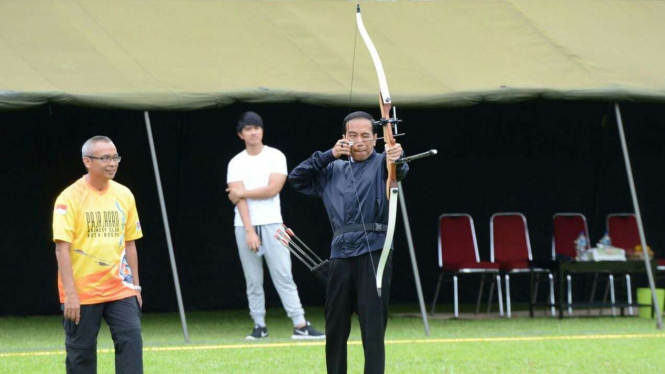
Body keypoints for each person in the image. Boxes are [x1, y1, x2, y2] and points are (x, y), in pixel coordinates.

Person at [288, 111, 408, 374]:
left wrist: (395, 157)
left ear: (376, 138)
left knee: (373, 326)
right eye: (353, 136)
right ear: (344, 138)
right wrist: (328, 154)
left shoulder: (383, 163)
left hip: (375, 249)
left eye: (366, 135)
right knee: (335, 325)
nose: (359, 141)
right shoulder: (332, 168)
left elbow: (398, 172)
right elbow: (296, 178)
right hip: (340, 253)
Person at [225, 111, 325, 340]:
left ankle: (300, 324)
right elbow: (237, 198)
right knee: (252, 279)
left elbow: (273, 188)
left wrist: (243, 192)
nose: (253, 132)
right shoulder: (236, 162)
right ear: (241, 134)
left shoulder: (275, 156)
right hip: (244, 226)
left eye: (256, 128)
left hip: (274, 224)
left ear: (262, 130)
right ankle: (259, 326)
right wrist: (249, 230)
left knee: (283, 274)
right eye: (248, 129)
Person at [53, 136, 144, 374]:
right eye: (105, 158)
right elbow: (61, 249)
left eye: (115, 157)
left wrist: (136, 285)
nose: (112, 163)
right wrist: (70, 294)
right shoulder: (69, 197)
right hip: (82, 292)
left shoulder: (124, 194)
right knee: (80, 354)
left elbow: (130, 243)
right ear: (87, 161)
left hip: (120, 287)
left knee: (131, 342)